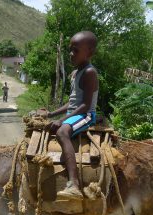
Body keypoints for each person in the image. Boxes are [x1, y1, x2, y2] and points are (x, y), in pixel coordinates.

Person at [44, 31, 99, 200]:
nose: (71, 54)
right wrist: (51, 113)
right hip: (76, 113)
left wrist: (62, 121)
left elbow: (84, 105)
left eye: (76, 50)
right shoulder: (76, 73)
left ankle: (73, 184)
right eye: (70, 50)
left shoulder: (90, 72)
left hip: (87, 114)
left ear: (89, 52)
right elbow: (72, 102)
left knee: (62, 132)